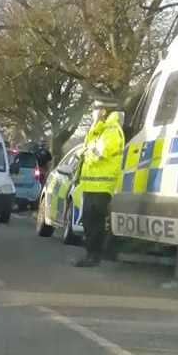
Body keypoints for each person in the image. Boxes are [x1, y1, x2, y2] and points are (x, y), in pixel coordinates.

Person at [75, 105, 124, 268]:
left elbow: (100, 153)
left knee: (95, 222)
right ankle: (91, 254)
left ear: (103, 111)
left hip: (102, 185)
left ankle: (94, 255)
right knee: (89, 222)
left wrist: (87, 152)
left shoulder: (112, 130)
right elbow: (87, 150)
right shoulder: (97, 130)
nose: (93, 113)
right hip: (90, 184)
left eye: (96, 109)